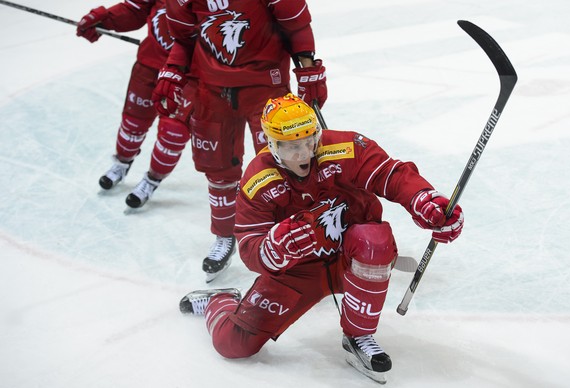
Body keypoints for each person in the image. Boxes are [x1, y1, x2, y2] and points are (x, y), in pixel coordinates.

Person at [178, 94, 465, 383]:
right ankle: (222, 299)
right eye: (291, 147)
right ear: (273, 145)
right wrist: (274, 248)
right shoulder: (258, 179)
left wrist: (424, 200)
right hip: (296, 272)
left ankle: (359, 336)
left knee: (374, 239)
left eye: (308, 141)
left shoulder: (345, 147)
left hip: (347, 257)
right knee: (233, 343)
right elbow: (250, 247)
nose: (303, 154)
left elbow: (391, 174)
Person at [153, 0, 328, 282]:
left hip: (265, 85)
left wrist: (308, 71)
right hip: (212, 89)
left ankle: (297, 240)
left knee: (283, 166)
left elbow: (296, 26)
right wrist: (173, 69)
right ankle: (224, 235)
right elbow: (184, 39)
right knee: (218, 168)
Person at [76, 0, 193, 208]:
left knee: (173, 134)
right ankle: (121, 163)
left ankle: (152, 180)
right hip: (149, 66)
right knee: (133, 122)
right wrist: (104, 19)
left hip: (188, 76)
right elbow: (135, 8)